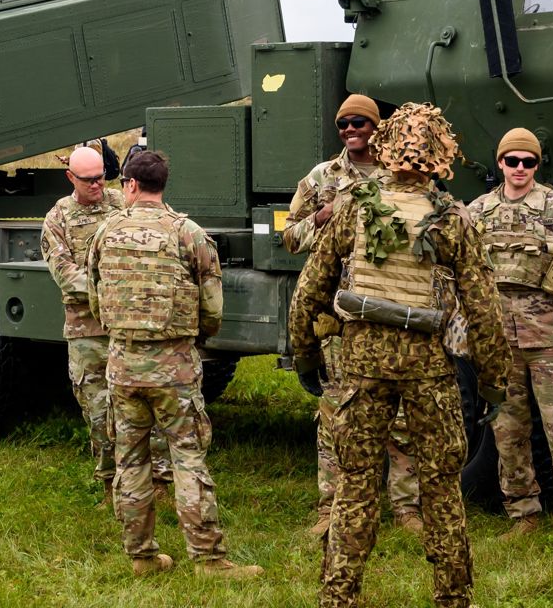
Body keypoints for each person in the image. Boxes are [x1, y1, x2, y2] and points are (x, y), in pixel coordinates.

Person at [288, 103, 511, 608]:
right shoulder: (452, 218)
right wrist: (494, 383)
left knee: (356, 484)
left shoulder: (355, 207)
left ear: (385, 147)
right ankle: (453, 598)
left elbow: (311, 289)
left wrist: (305, 355)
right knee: (441, 487)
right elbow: (484, 310)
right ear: (440, 155)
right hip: (429, 370)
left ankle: (339, 597)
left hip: (362, 366)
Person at [87, 151, 263, 579]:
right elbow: (213, 307)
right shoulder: (189, 233)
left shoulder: (105, 232)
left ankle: (142, 555)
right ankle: (209, 559)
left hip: (122, 365)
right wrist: (194, 338)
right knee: (187, 458)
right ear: (163, 184)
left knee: (130, 460)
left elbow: (94, 298)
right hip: (175, 368)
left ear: (129, 184)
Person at [283, 94, 421, 537]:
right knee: (336, 411)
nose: (350, 129)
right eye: (343, 124)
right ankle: (331, 506)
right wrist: (322, 216)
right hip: (340, 315)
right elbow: (289, 236)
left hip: (392, 307)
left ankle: (406, 507)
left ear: (375, 126)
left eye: (359, 122)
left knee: (401, 417)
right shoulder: (322, 177)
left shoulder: (399, 174)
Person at [466, 128, 553, 546]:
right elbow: (464, 277)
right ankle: (523, 513)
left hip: (550, 342)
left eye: (528, 162)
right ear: (500, 163)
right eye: (513, 161)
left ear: (537, 165)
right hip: (500, 345)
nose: (520, 169)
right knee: (507, 433)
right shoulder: (477, 213)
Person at [41, 146, 173, 506]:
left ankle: (158, 483)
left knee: (146, 405)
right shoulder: (58, 219)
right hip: (88, 333)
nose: (98, 184)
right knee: (99, 412)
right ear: (71, 178)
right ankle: (111, 485)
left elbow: (164, 231)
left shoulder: (123, 203)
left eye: (102, 176)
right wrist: (116, 290)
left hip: (129, 329)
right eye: (89, 180)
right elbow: (66, 276)